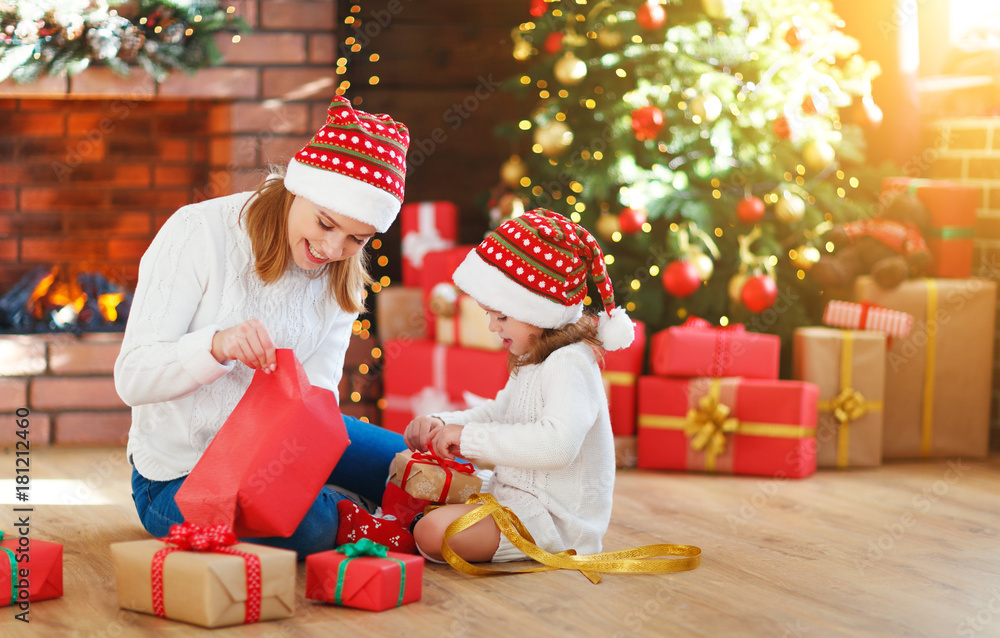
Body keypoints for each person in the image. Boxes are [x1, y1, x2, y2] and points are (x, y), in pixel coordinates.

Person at [114, 96, 412, 557]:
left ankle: (385, 512)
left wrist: (299, 470)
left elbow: (318, 400)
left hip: (279, 451)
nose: (333, 248)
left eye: (357, 238)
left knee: (413, 469)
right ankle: (371, 517)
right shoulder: (199, 233)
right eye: (325, 223)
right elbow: (132, 378)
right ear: (297, 189)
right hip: (180, 475)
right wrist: (215, 346)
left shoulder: (341, 273)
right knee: (308, 525)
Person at [334, 209, 635, 563]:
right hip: (510, 494)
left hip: (550, 521)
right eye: (490, 314)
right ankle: (393, 521)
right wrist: (445, 423)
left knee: (433, 531)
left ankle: (392, 527)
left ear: (541, 310)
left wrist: (468, 439)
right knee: (420, 477)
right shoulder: (533, 358)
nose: (493, 326)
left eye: (502, 316)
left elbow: (558, 445)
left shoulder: (571, 364)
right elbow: (499, 412)